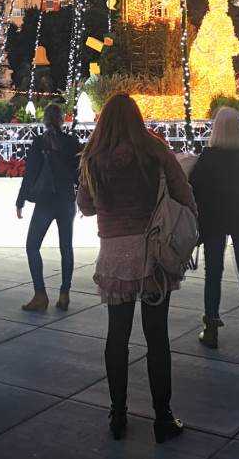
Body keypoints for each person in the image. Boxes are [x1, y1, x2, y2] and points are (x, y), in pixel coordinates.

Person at [77, 93, 195, 445]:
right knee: (157, 338)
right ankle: (162, 417)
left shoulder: (95, 157)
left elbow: (84, 205)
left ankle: (118, 413)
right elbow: (182, 191)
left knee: (117, 338)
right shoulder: (154, 149)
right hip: (153, 252)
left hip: (115, 255)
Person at [188, 107, 239, 349]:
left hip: (214, 215)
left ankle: (211, 328)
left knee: (213, 271)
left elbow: (195, 186)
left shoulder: (209, 157)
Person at [15, 104, 81, 312]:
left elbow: (30, 174)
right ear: (63, 120)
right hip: (66, 200)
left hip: (45, 202)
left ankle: (40, 294)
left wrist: (20, 201)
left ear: (45, 120)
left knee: (32, 246)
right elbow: (80, 174)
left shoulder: (39, 142)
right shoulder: (72, 143)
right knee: (66, 247)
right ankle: (64, 294)